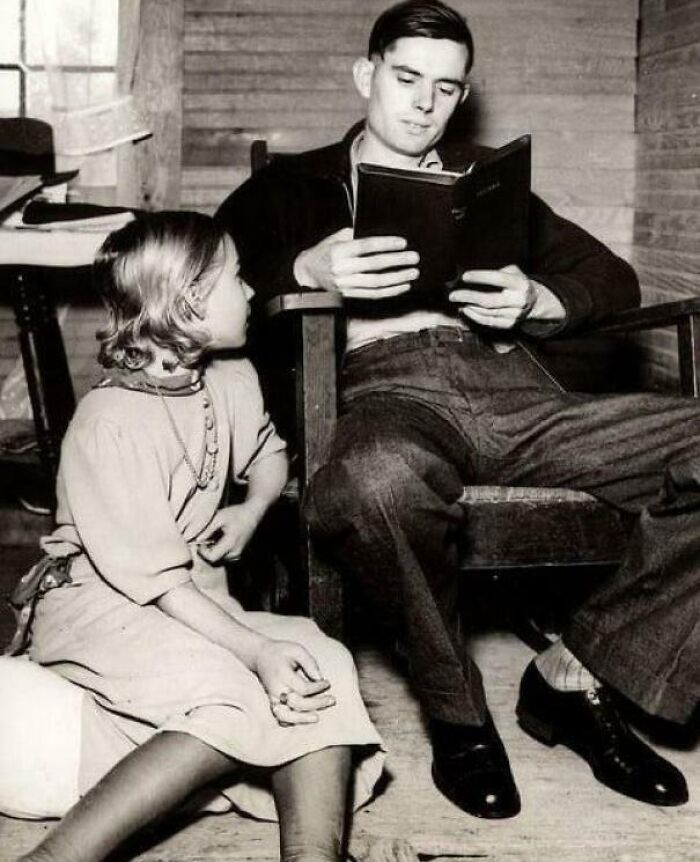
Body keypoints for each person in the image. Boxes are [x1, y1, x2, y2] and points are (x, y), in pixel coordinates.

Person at [215, 0, 699, 822]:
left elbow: (609, 277)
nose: (424, 103)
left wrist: (539, 295)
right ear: (366, 75)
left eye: (446, 87)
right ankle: (458, 713)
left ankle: (574, 676)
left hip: (517, 387)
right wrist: (305, 268)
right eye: (406, 79)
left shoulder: (488, 186)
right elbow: (207, 280)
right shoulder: (288, 188)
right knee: (370, 484)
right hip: (386, 391)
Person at [0, 211, 393, 862]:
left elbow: (270, 455)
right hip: (106, 611)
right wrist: (253, 653)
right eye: (235, 279)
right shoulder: (109, 423)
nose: (248, 292)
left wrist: (252, 509)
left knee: (318, 659)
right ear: (184, 305)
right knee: (238, 687)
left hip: (196, 605)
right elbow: (153, 583)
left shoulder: (228, 378)